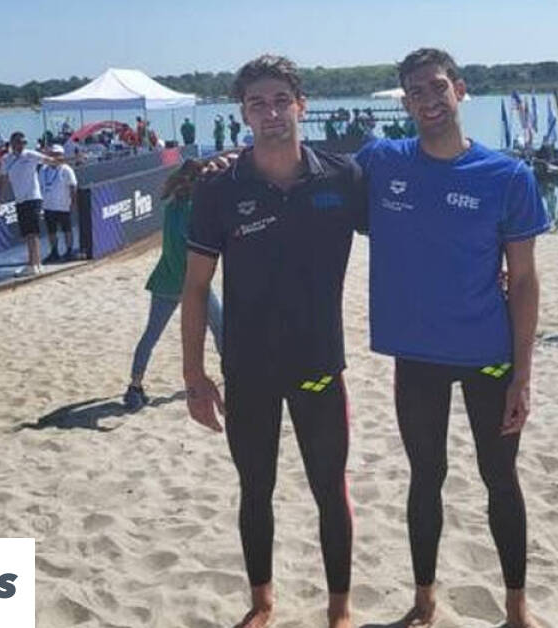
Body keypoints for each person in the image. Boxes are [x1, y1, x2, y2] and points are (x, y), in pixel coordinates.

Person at [355, 48, 547, 627]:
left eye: (437, 87)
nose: (428, 100)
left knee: (500, 478)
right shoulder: (382, 161)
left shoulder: (507, 176)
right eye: (415, 92)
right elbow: (305, 173)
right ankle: (424, 603)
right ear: (405, 103)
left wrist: (522, 375)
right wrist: (226, 162)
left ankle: (517, 610)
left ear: (460, 90)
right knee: (425, 478)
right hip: (418, 358)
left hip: (488, 354)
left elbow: (524, 279)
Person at [181, 54, 363, 628]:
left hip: (319, 363)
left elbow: (408, 229)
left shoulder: (342, 178)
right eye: (257, 103)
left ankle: (339, 610)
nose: (272, 113)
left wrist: (492, 262)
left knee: (329, 489)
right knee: (255, 489)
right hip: (249, 368)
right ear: (243, 114)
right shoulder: (220, 188)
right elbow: (195, 288)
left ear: (301, 106)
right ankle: (262, 603)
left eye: (281, 100)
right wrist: (194, 376)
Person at [124, 159, 224, 411]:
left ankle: (134, 386)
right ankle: (233, 375)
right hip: (190, 282)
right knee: (220, 327)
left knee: (151, 335)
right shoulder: (194, 210)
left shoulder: (171, 207)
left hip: (165, 280)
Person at [0, 131, 62, 276]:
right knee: (28, 233)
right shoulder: (6, 159)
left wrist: (74, 158)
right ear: (12, 143)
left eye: (24, 142)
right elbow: (2, 181)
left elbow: (51, 161)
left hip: (33, 197)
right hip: (20, 199)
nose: (22, 145)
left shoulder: (30, 155)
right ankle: (36, 263)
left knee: (32, 232)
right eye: (19, 142)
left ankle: (33, 264)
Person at [39, 144, 78, 263]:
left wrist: (73, 203)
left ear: (62, 155)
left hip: (63, 205)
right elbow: (40, 187)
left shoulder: (66, 169)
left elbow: (73, 187)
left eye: (57, 154)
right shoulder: (43, 169)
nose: (54, 157)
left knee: (67, 229)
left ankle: (69, 251)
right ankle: (54, 252)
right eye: (52, 154)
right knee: (51, 231)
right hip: (48, 206)